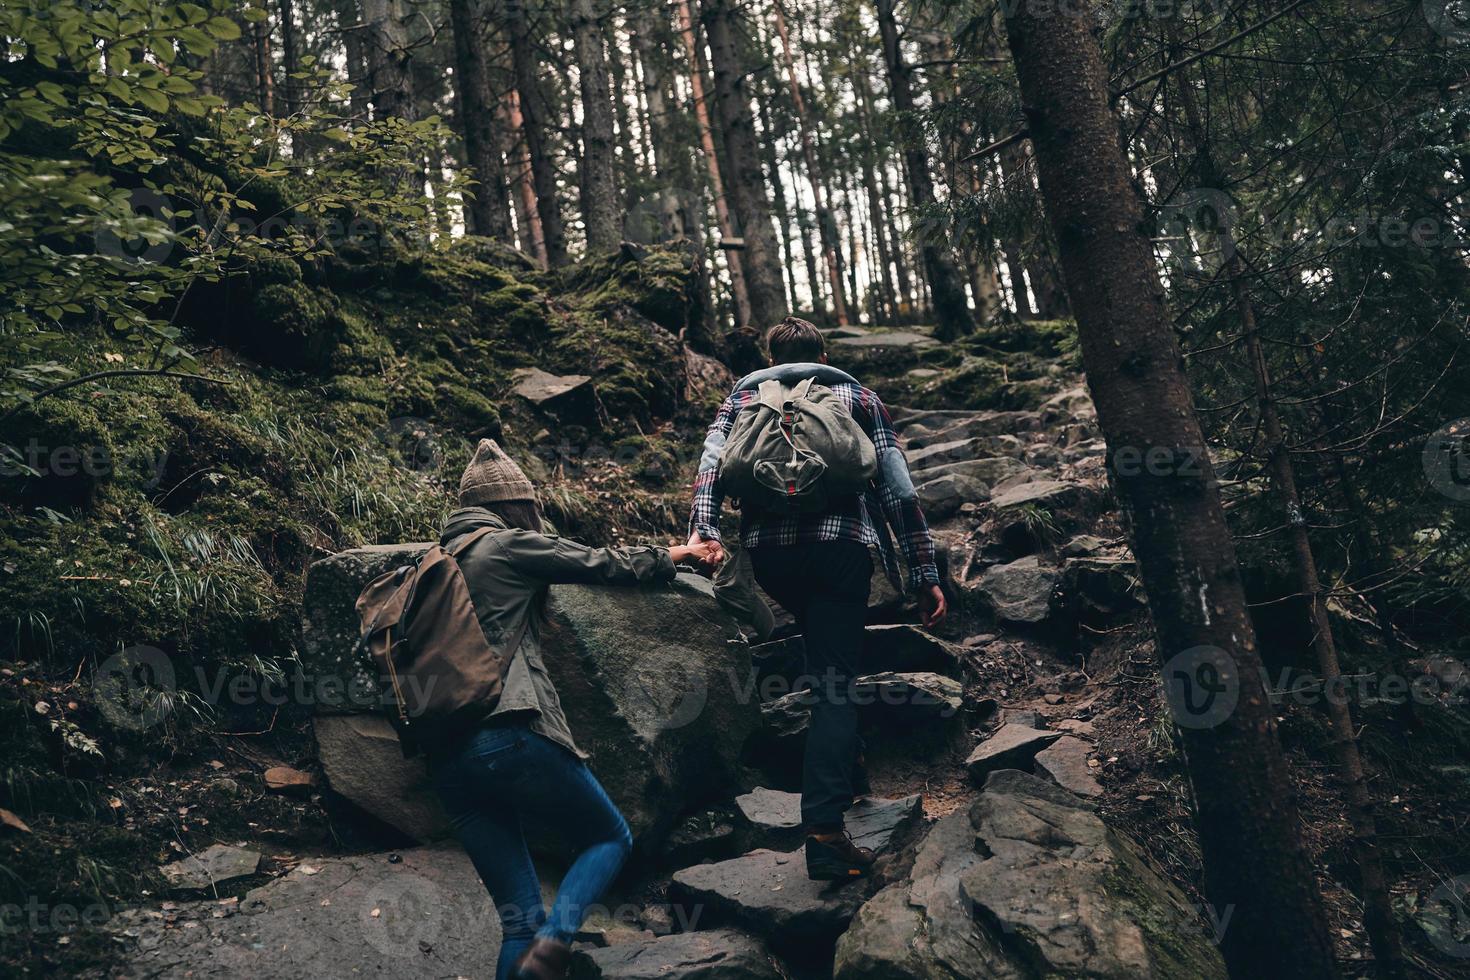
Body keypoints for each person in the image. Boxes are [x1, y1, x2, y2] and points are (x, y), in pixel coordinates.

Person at [429, 439, 718, 980]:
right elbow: (595, 562)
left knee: (518, 922)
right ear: (515, 506)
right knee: (608, 837)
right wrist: (679, 555)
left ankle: (536, 944)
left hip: (445, 757)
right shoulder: (507, 546)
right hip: (509, 730)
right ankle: (555, 943)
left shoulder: (433, 563)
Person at [687, 316, 946, 881]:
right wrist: (924, 569)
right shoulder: (855, 394)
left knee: (823, 655)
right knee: (835, 680)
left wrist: (702, 535)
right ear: (822, 352)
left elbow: (711, 468)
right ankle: (826, 833)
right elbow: (898, 487)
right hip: (840, 551)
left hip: (773, 557)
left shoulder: (745, 396)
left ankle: (847, 773)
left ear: (770, 352)